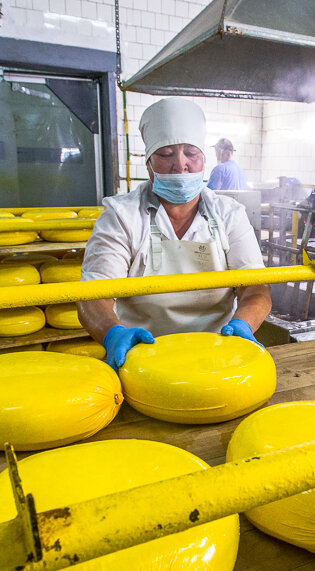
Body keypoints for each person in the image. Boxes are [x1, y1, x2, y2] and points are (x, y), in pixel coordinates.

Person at [78, 99, 271, 370]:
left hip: (218, 353)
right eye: (166, 154)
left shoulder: (228, 214)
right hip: (142, 358)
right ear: (148, 164)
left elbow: (256, 287)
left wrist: (243, 324)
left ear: (204, 160)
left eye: (191, 153)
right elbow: (93, 295)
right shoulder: (121, 216)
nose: (180, 165)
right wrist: (113, 333)